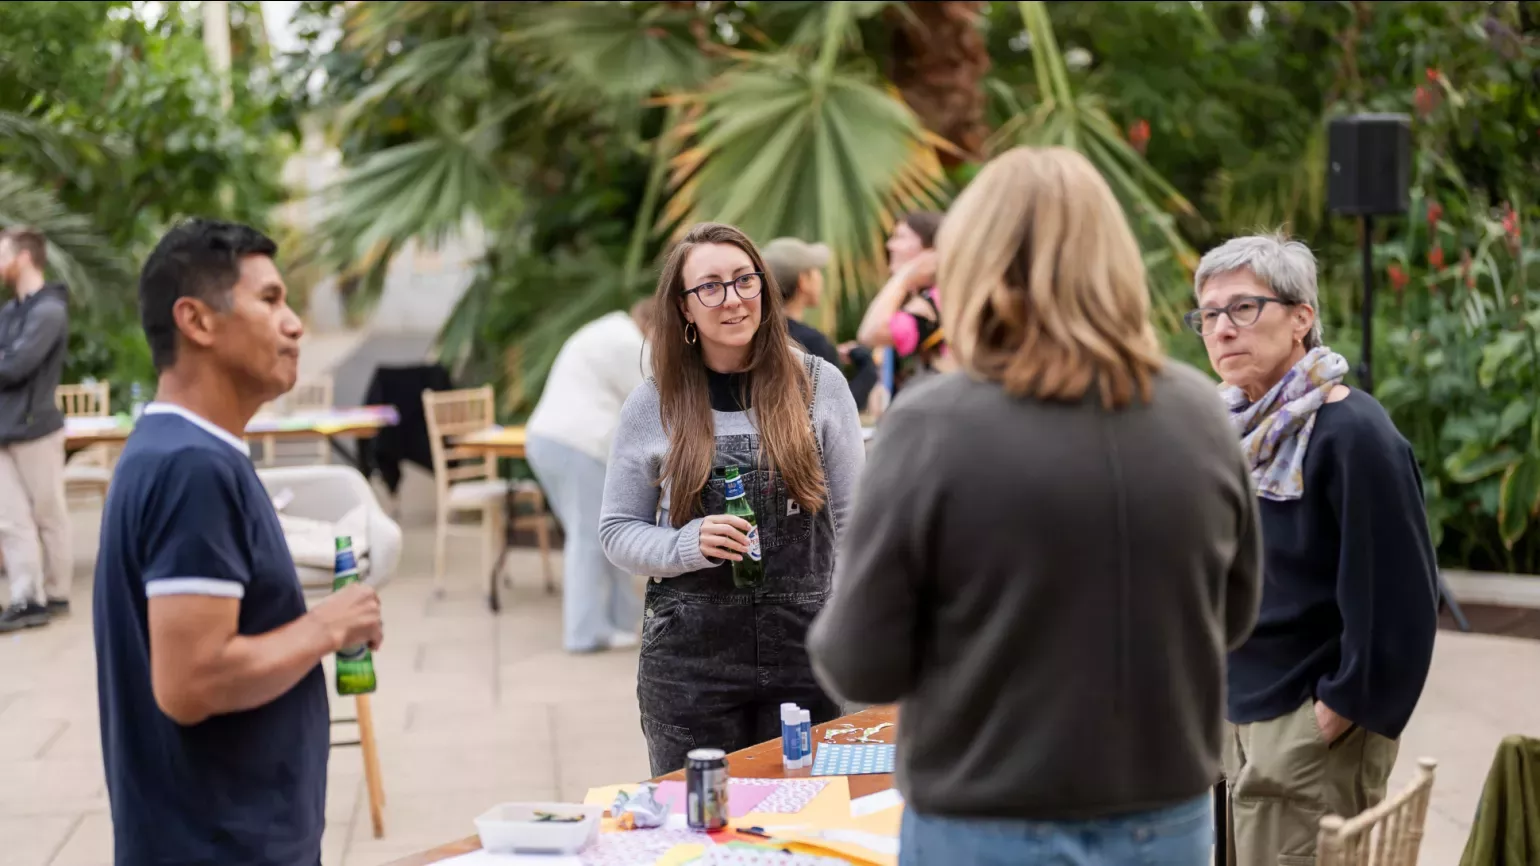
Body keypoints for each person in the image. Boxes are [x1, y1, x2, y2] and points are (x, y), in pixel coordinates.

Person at [808, 146, 1263, 865]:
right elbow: (1233, 619)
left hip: (986, 821)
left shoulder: (930, 427)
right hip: (1165, 821)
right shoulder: (1201, 418)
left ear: (974, 262)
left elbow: (861, 663)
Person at [94, 219, 385, 865]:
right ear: (196, 321)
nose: (295, 324)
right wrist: (328, 627)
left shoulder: (184, 452)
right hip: (220, 844)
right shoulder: (191, 466)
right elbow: (192, 681)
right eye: (270, 300)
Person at [1190, 233, 1439, 866]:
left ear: (1302, 317)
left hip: (1307, 726)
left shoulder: (1353, 432)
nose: (1221, 329)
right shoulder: (1230, 428)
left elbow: (1399, 605)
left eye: (1243, 308)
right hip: (1236, 714)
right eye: (1209, 314)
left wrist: (1331, 717)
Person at [600, 222, 865, 776]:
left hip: (807, 660)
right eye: (711, 286)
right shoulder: (654, 404)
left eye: (744, 280)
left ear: (765, 289)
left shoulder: (819, 386)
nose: (733, 299)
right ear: (684, 308)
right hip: (690, 672)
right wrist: (684, 544)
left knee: (808, 829)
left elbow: (855, 520)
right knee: (699, 834)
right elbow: (617, 531)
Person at [525, 299, 654, 653]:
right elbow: (655, 403)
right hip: (578, 445)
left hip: (549, 440)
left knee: (602, 535)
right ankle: (584, 634)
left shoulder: (607, 328)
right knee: (590, 539)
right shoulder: (628, 344)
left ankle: (619, 624)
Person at [0, 226, 72, 633]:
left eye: (2, 253)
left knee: (48, 514)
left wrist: (6, 357)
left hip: (36, 428)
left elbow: (16, 365)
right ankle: (27, 598)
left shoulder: (49, 311)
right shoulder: (10, 313)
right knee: (11, 520)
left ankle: (56, 594)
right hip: (3, 429)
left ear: (23, 257)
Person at [761, 236, 878, 410]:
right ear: (803, 280)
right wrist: (867, 366)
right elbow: (839, 409)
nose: (820, 278)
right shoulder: (813, 342)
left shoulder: (760, 333)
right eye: (816, 271)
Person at [854, 211, 952, 392]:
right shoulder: (930, 299)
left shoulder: (936, 302)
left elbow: (871, 333)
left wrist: (904, 276)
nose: (890, 245)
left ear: (931, 250)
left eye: (900, 237)